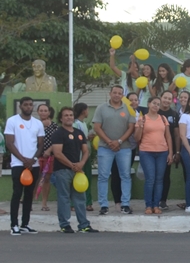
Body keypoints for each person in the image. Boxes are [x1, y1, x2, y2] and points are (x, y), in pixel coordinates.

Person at [50, 107, 97, 233]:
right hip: (62, 170)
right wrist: (72, 165)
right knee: (64, 198)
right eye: (66, 115)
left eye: (71, 115)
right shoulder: (58, 134)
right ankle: (64, 225)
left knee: (80, 198)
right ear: (61, 118)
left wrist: (81, 164)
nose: (69, 117)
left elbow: (86, 151)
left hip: (77, 171)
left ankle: (84, 225)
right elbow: (57, 153)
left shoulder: (79, 133)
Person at [92, 85, 136, 216]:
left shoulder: (128, 109)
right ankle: (104, 205)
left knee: (125, 176)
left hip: (124, 148)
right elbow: (97, 127)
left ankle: (125, 204)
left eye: (119, 93)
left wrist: (119, 141)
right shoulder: (101, 108)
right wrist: (109, 142)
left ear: (122, 95)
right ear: (110, 93)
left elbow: (131, 127)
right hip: (105, 148)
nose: (117, 95)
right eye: (114, 92)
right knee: (103, 176)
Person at [5, 97, 45, 235]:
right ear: (20, 106)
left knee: (29, 194)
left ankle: (25, 224)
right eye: (26, 105)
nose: (28, 107)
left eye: (30, 105)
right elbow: (9, 143)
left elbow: (41, 144)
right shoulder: (12, 121)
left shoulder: (38, 123)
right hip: (18, 164)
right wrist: (23, 160)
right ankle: (14, 225)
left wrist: (33, 159)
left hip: (33, 164)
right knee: (17, 193)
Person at [134, 97, 173, 215]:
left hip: (162, 152)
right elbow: (136, 138)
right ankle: (148, 205)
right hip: (147, 152)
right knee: (150, 179)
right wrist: (140, 126)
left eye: (158, 104)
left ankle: (156, 205)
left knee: (159, 180)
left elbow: (168, 136)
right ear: (148, 104)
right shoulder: (142, 118)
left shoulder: (163, 118)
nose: (156, 106)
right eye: (154, 103)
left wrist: (170, 152)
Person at [34, 103, 57, 212]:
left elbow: (57, 141)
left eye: (45, 110)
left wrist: (49, 150)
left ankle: (44, 203)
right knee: (34, 179)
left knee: (46, 179)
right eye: (41, 110)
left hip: (49, 157)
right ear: (38, 112)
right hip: (35, 156)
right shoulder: (33, 124)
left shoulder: (54, 126)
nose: (43, 112)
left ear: (49, 112)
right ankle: (29, 202)